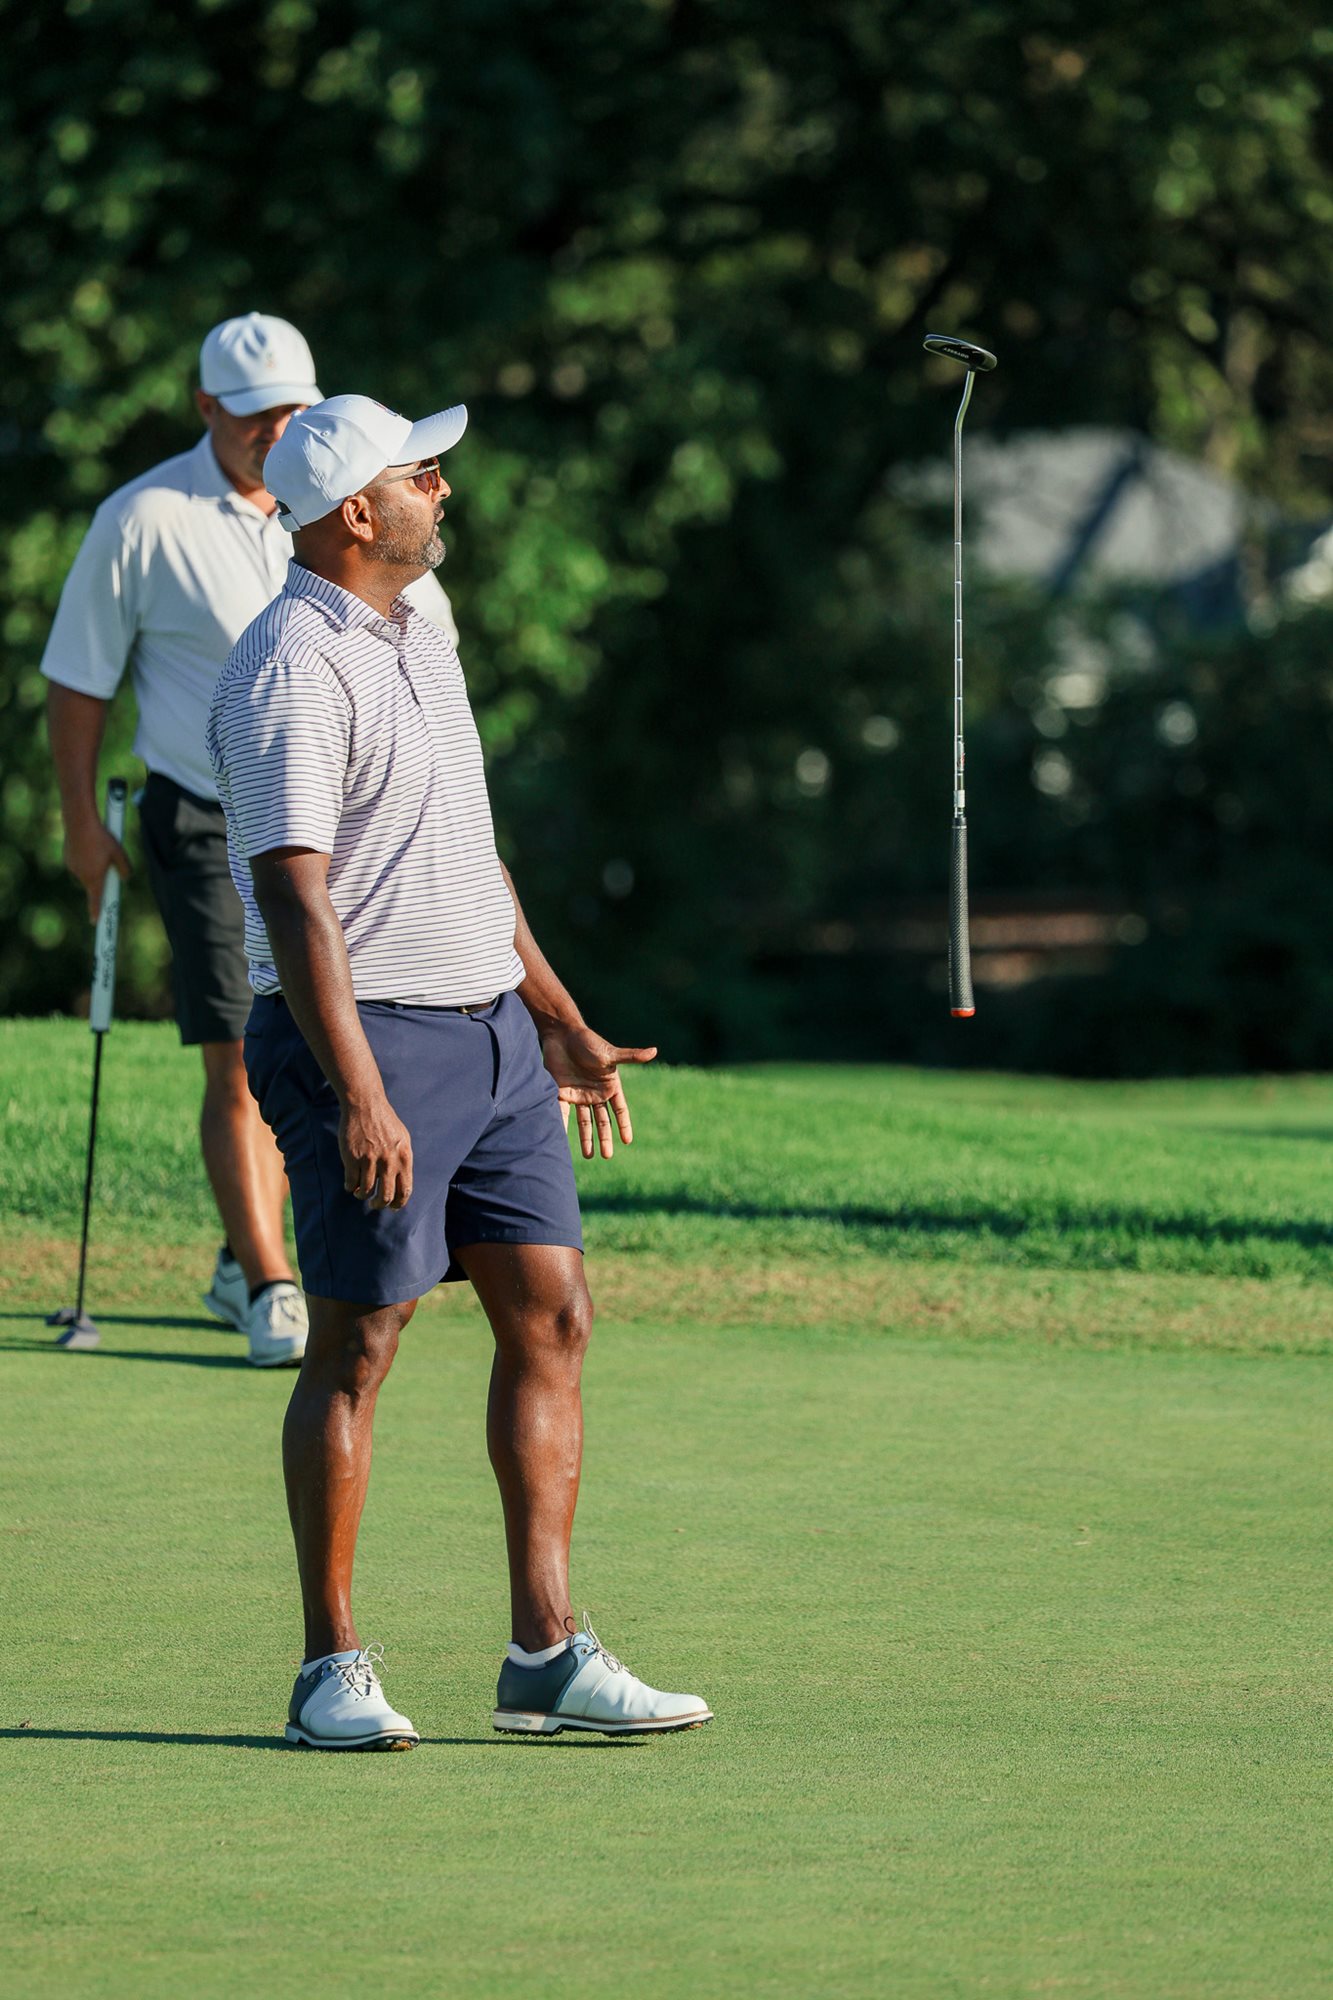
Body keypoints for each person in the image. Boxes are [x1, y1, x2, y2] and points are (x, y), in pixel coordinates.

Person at [206, 393, 712, 1747]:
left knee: (553, 1312)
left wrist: (552, 1012)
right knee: (360, 1341)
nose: (444, 489)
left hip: (488, 1033)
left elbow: (466, 849)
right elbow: (295, 894)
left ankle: (544, 1651)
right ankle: (328, 1669)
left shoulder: (422, 629)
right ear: (354, 510)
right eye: (420, 473)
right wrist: (359, 1089)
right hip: (364, 1037)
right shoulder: (286, 665)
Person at [41, 315, 460, 1367]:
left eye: (293, 409)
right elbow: (79, 678)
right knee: (238, 1052)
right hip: (207, 816)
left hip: (354, 822)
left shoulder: (367, 507)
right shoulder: (143, 517)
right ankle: (272, 1283)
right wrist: (82, 821)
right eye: (254, 412)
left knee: (343, 1045)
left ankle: (246, 1254)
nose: (277, 429)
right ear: (206, 409)